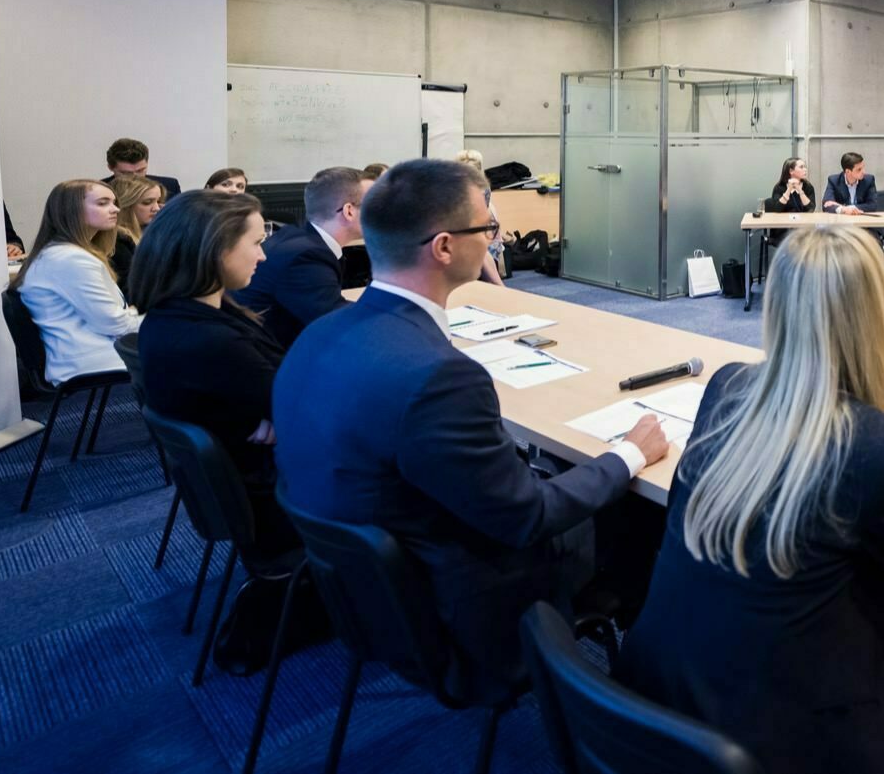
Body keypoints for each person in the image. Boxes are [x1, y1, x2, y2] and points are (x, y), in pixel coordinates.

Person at [617, 226, 884, 774]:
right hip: (783, 748)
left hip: (653, 711)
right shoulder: (874, 447)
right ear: (876, 321)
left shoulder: (727, 387)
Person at [275, 158, 670, 693]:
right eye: (487, 228)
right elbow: (527, 519)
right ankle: (637, 702)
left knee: (560, 467)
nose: (494, 238)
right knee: (650, 511)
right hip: (463, 605)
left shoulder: (320, 333)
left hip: (367, 588)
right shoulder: (440, 377)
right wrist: (628, 455)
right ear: (443, 247)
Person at [131, 189, 295, 553]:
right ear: (217, 250)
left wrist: (275, 414)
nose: (263, 254)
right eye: (256, 243)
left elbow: (283, 396)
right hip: (277, 498)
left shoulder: (179, 314)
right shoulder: (210, 341)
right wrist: (283, 414)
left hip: (252, 479)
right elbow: (309, 418)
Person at [12, 179, 142, 383]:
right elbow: (116, 324)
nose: (115, 209)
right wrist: (149, 317)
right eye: (102, 203)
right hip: (95, 361)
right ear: (71, 211)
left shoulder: (63, 254)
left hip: (90, 355)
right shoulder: (70, 259)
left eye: (114, 202)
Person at [236, 166, 367, 348]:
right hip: (269, 363)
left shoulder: (299, 239)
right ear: (349, 211)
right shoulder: (306, 256)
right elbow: (339, 324)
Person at [457, 150, 507, 285]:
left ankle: (500, 289)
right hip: (473, 231)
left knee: (481, 250)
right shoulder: (456, 189)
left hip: (481, 232)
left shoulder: (482, 189)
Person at [107, 173, 164, 290]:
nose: (157, 208)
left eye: (158, 201)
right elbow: (131, 288)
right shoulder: (117, 243)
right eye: (147, 202)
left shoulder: (152, 233)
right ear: (126, 205)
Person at [764, 156, 816, 250]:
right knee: (795, 241)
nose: (805, 170)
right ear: (791, 171)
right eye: (801, 167)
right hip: (783, 230)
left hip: (802, 228)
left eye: (805, 167)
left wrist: (800, 191)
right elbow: (777, 209)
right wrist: (789, 190)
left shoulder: (808, 187)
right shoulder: (779, 187)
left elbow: (811, 209)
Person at [103, 137, 182, 198]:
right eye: (126, 173)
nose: (135, 177)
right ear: (110, 167)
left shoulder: (170, 186)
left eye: (140, 170)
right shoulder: (98, 191)